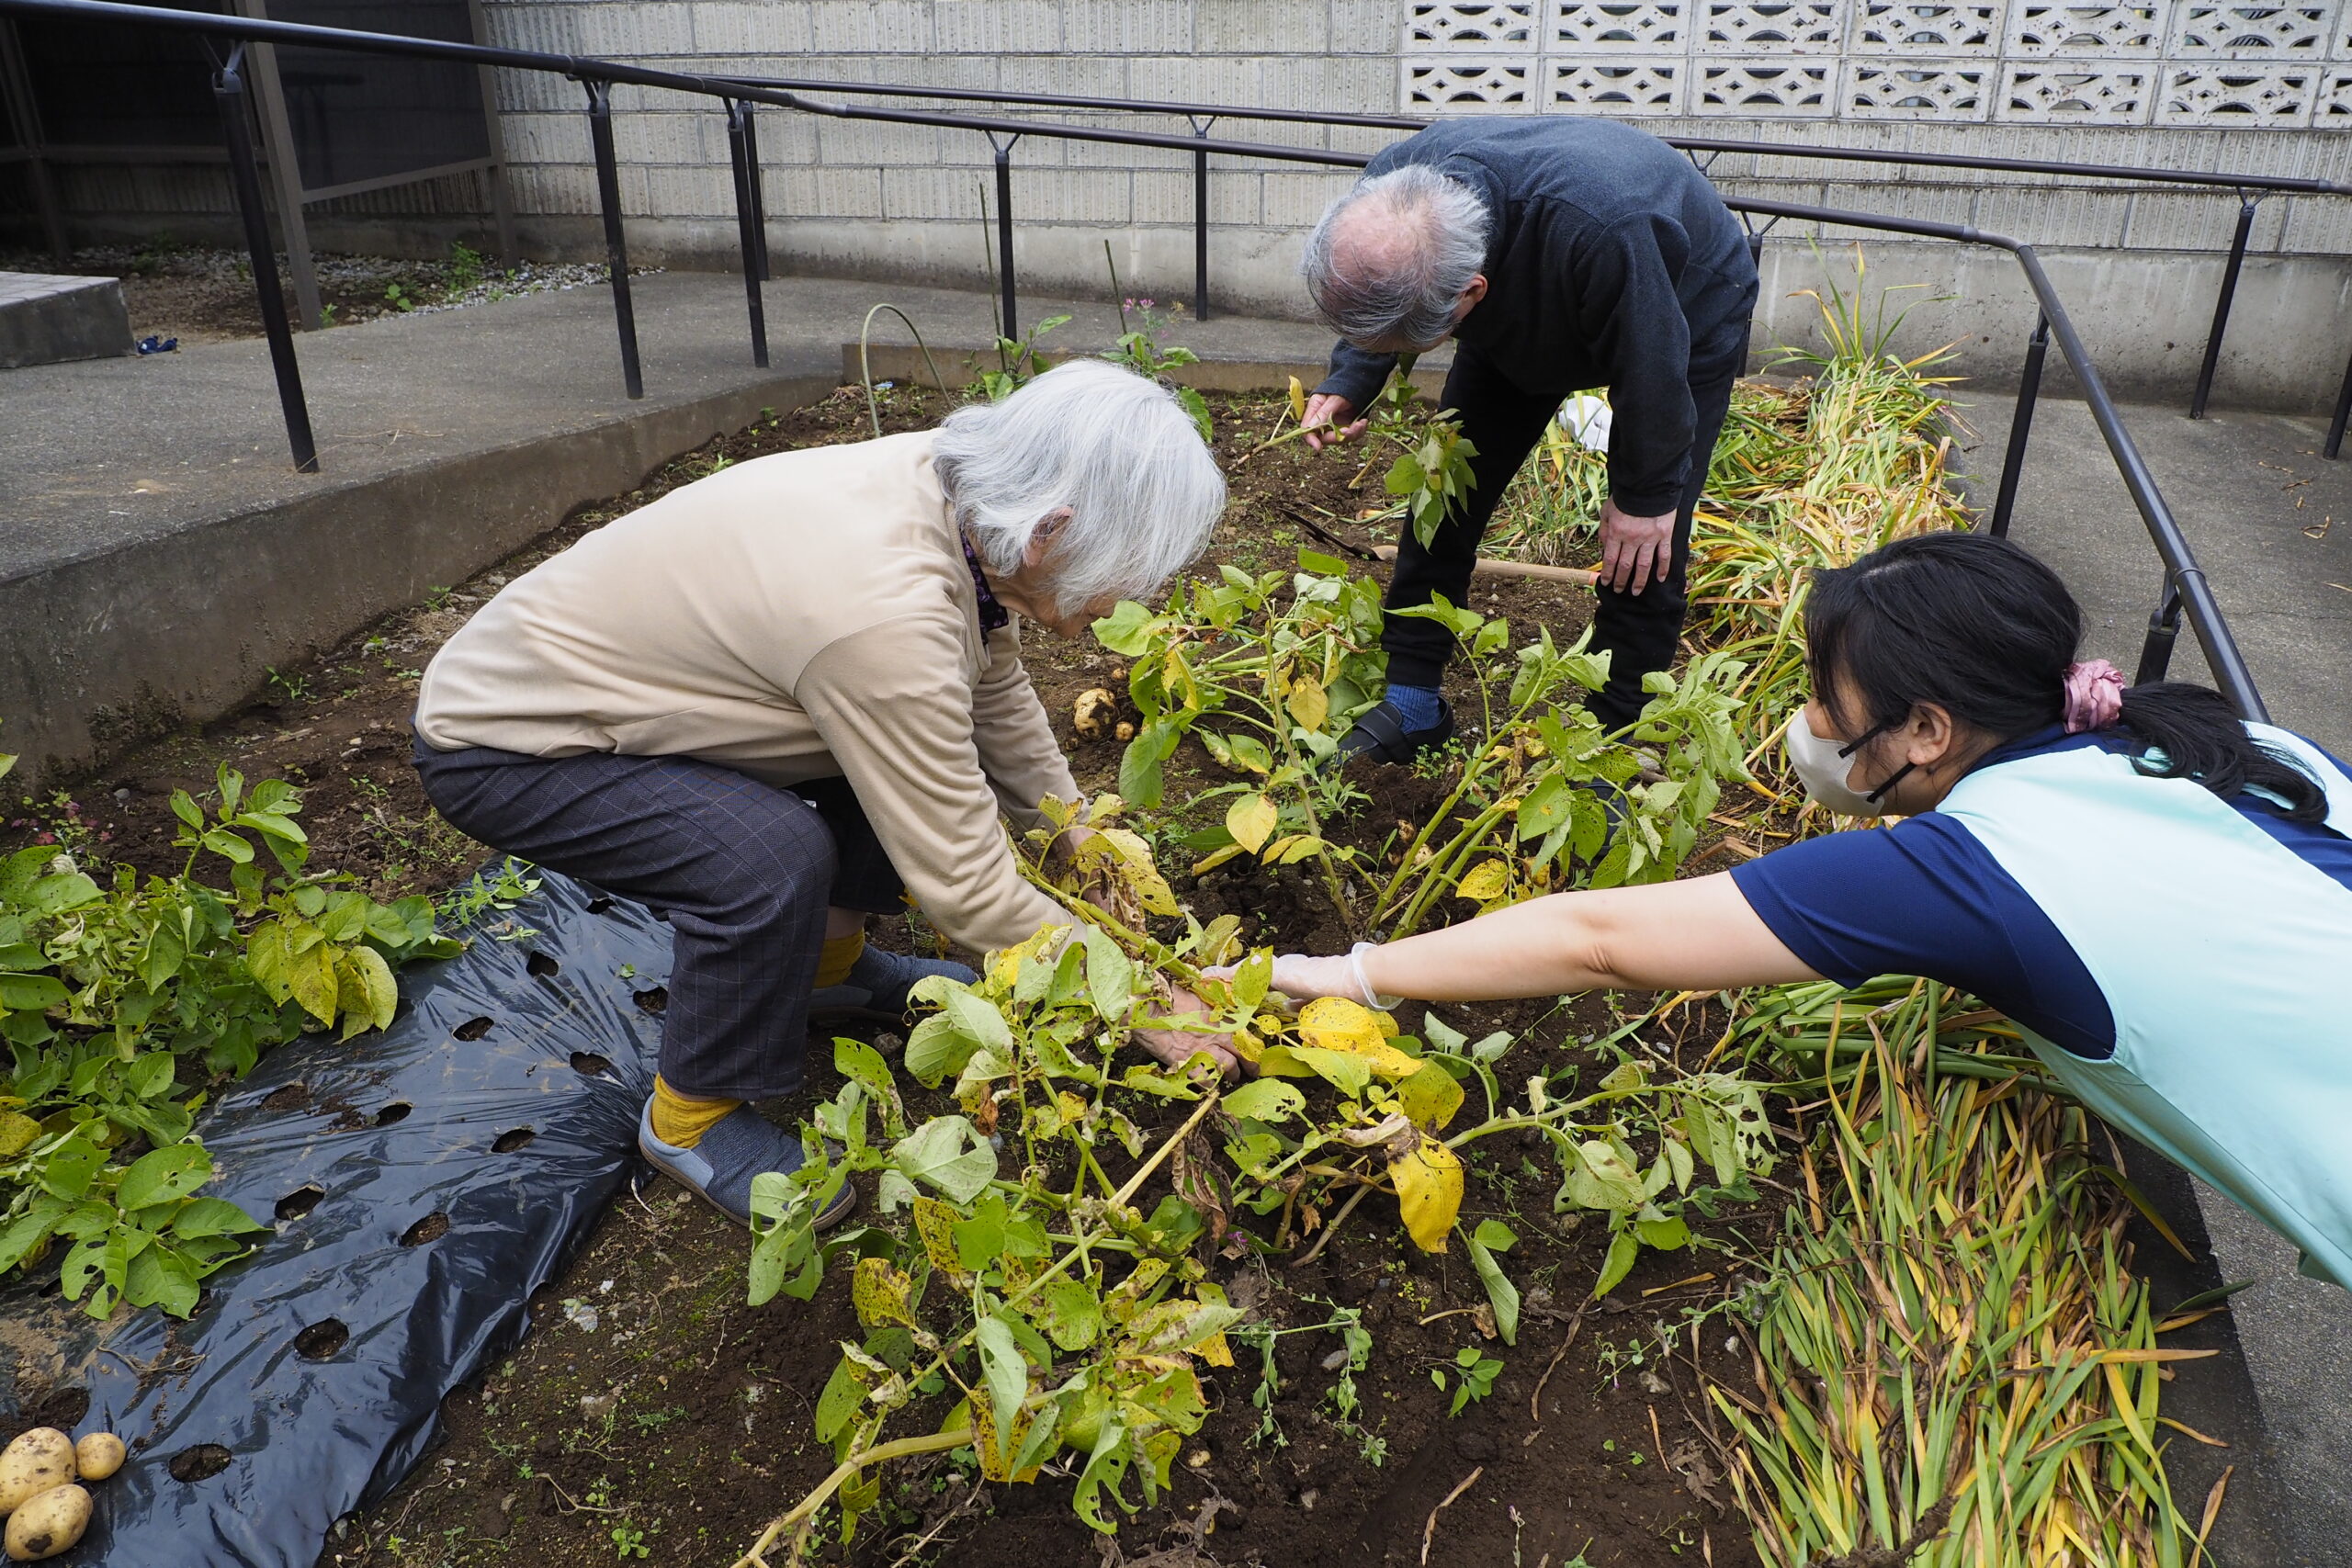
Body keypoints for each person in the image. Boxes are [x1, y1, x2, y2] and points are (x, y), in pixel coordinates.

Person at [1230, 533, 2352, 1285]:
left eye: (1828, 694)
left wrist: (1349, 974)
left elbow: (1602, 941)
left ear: (1927, 730)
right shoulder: (2245, 746)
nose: (1811, 718)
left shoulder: (1979, 871)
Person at [411, 361, 1235, 1228]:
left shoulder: (960, 488)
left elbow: (991, 690)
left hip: (660, 693)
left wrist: (1085, 842)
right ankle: (688, 1116)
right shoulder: (886, 619)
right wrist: (1147, 1004)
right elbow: (966, 888)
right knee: (767, 858)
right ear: (1049, 532)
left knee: (910, 756)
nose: (1131, 599)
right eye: (1129, 573)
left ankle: (827, 977)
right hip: (514, 742)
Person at [1297, 118, 1760, 762]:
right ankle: (1413, 702)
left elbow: (1651, 368)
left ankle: (1615, 728)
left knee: (1646, 538)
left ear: (1470, 294)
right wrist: (1354, 373)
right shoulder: (1390, 193)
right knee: (1448, 492)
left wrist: (1647, 494)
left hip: (1683, 304)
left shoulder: (1606, 230)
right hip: (1535, 294)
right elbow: (1376, 293)